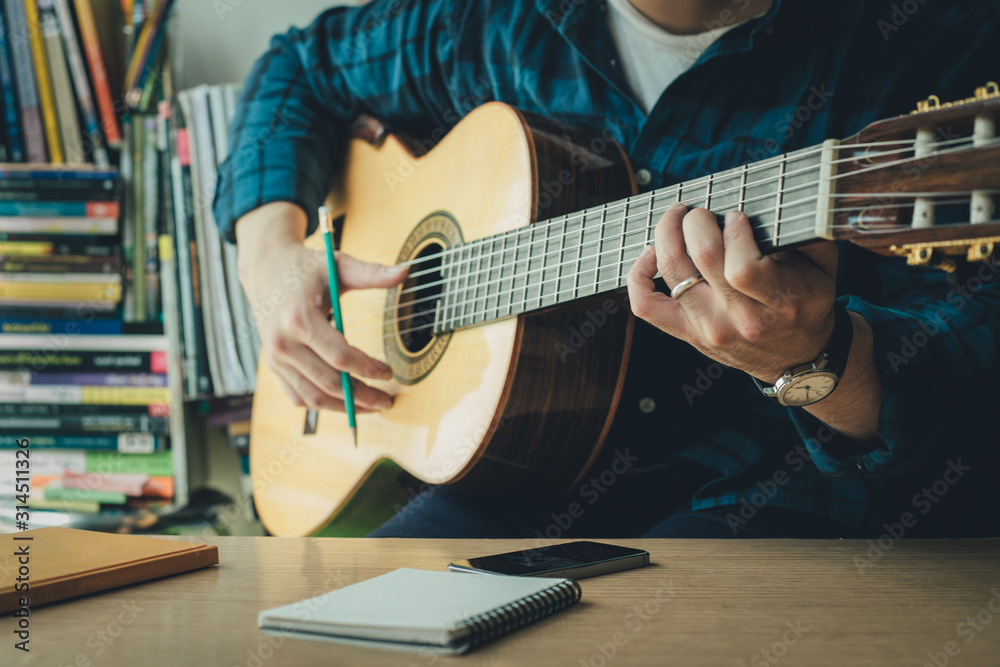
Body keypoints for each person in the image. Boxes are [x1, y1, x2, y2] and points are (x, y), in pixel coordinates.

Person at [213, 0, 1000, 539]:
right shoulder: (493, 22)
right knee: (337, 624)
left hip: (778, 486)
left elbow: (973, 413)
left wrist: (818, 362)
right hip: (519, 473)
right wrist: (272, 262)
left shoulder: (939, 38)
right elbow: (295, 71)